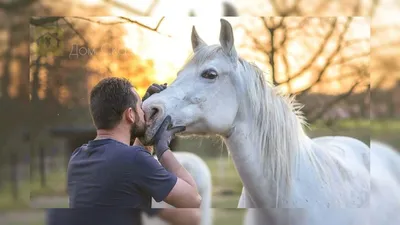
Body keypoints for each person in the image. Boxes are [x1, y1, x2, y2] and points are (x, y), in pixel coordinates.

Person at [62, 77, 201, 223]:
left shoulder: (78, 157)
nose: (143, 112)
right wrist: (163, 149)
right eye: (140, 107)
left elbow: (129, 165)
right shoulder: (134, 160)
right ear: (130, 114)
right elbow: (193, 199)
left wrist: (145, 124)